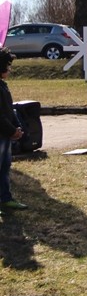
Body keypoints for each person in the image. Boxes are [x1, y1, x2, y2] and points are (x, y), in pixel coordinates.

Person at [0, 48, 27, 212]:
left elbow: (9, 110)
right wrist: (11, 130)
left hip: (5, 133)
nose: (10, 69)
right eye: (7, 66)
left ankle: (5, 198)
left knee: (4, 167)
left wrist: (17, 127)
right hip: (2, 133)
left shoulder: (3, 86)